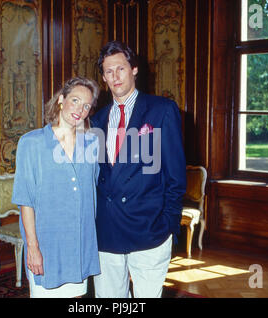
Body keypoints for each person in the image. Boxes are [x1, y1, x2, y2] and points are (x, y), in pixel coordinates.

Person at [91, 41, 187, 298]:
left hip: (149, 228)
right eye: (108, 71)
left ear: (134, 69)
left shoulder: (161, 110)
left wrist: (168, 223)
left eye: (120, 69)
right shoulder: (97, 120)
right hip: (107, 232)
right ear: (103, 77)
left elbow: (175, 175)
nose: (115, 77)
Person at [12, 76, 101, 298]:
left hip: (79, 245)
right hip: (47, 245)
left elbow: (93, 191)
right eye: (75, 100)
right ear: (61, 100)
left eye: (87, 105)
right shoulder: (31, 143)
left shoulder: (91, 144)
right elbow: (26, 200)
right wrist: (32, 248)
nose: (80, 109)